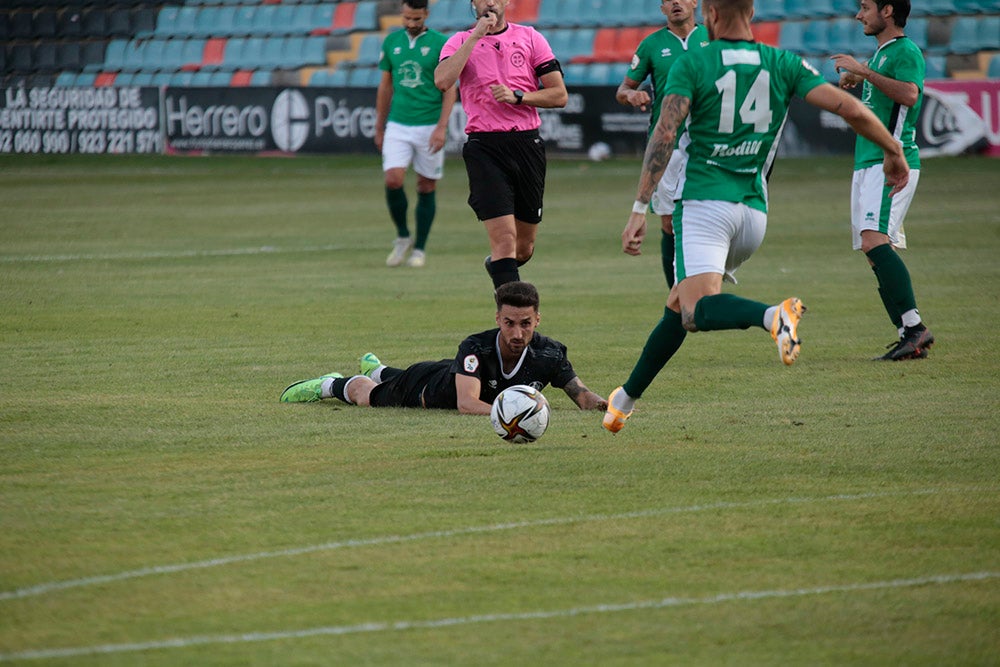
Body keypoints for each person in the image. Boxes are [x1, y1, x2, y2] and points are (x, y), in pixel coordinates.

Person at [603, 0, 911, 434]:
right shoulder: (784, 62)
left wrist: (639, 208)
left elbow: (665, 132)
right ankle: (625, 399)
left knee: (694, 310)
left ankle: (773, 316)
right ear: (752, 13)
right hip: (755, 212)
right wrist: (893, 152)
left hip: (705, 207)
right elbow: (850, 109)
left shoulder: (694, 62)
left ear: (708, 14)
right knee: (679, 302)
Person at [280, 281, 607, 415]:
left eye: (525, 323)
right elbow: (467, 403)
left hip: (451, 373)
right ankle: (329, 384)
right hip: (427, 388)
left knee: (399, 374)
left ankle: (378, 369)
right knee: (368, 397)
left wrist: (609, 407)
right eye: (509, 323)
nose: (517, 332)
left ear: (537, 319)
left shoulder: (550, 353)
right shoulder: (475, 346)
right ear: (497, 318)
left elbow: (582, 396)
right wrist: (521, 414)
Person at [434, 0, 568, 289]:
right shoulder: (458, 41)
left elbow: (559, 95)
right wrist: (475, 36)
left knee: (523, 248)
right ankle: (514, 320)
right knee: (505, 240)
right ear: (473, 3)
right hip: (485, 147)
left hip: (526, 144)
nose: (490, 2)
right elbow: (443, 81)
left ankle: (499, 266)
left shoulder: (530, 37)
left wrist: (519, 96)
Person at [831, 0, 934, 360]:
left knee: (876, 241)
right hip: (868, 161)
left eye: (865, 7)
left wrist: (865, 72)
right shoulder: (883, 55)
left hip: (892, 160)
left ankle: (916, 329)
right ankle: (908, 332)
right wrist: (862, 74)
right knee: (872, 250)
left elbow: (909, 94)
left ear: (887, 11)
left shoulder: (904, 50)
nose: (859, 15)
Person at [616, 0, 710, 289]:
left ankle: (704, 281)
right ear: (662, 9)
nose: (676, 4)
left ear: (694, 2)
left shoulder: (713, 38)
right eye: (669, 0)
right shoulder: (651, 45)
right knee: (669, 223)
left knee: (706, 217)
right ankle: (678, 296)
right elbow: (624, 89)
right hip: (667, 146)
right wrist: (631, 96)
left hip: (708, 142)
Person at [376, 0, 458, 268]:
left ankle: (420, 248)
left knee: (426, 184)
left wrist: (442, 127)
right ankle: (402, 236)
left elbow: (450, 88)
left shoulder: (440, 43)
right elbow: (385, 86)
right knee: (393, 179)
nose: (411, 23)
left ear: (426, 15)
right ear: (402, 13)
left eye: (417, 19)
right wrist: (380, 125)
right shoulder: (391, 43)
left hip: (428, 123)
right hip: (398, 123)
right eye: (408, 18)